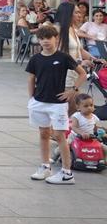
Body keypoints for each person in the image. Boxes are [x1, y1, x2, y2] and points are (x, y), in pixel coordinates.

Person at [25, 24, 85, 184]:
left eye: (49, 38)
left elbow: (82, 73)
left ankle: (67, 173)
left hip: (57, 104)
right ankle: (45, 167)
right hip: (39, 102)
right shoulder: (35, 59)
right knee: (43, 134)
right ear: (38, 40)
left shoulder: (63, 57)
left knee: (59, 136)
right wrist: (31, 98)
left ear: (56, 39)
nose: (45, 41)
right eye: (42, 38)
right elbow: (31, 78)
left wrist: (73, 90)